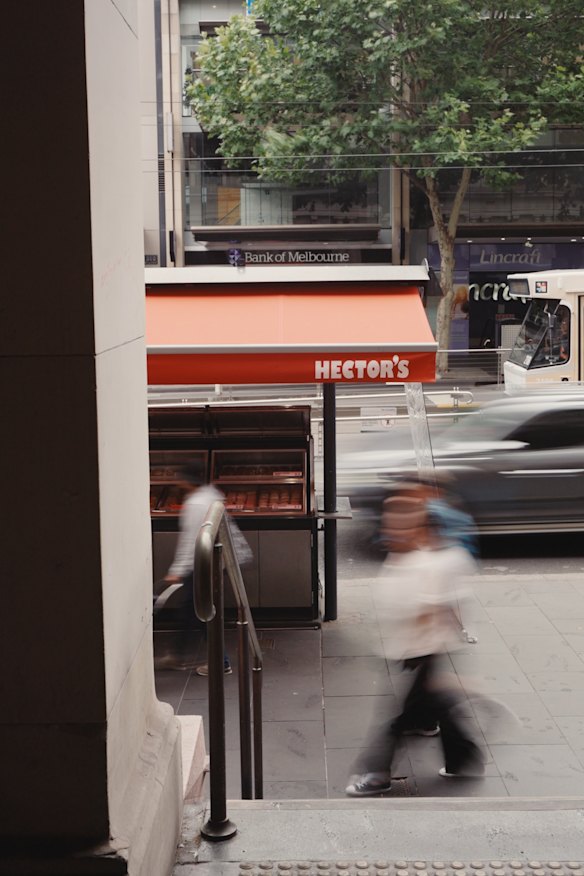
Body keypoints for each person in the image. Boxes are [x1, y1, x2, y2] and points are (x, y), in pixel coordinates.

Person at [345, 487, 485, 796]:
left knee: (399, 719)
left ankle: (378, 773)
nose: (388, 531)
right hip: (414, 651)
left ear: (418, 528)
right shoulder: (409, 555)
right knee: (433, 709)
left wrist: (417, 651)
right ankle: (463, 759)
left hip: (421, 651)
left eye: (397, 525)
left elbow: (432, 612)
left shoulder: (427, 563)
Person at [158, 460, 250, 674]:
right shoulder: (211, 494)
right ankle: (178, 655)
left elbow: (192, 540)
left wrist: (178, 570)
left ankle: (220, 662)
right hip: (217, 560)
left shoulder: (196, 503)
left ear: (185, 480)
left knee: (202, 612)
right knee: (194, 610)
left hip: (204, 564)